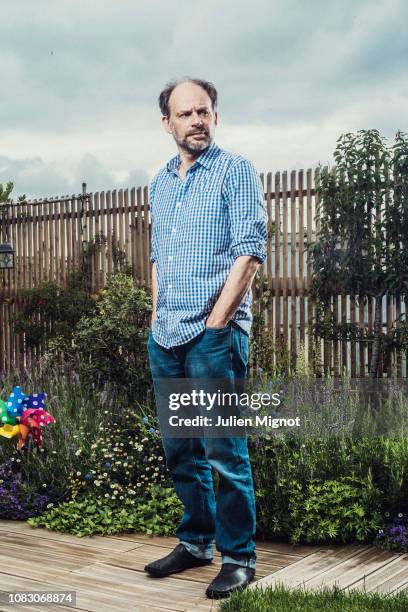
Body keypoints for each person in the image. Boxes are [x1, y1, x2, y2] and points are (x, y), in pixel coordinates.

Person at [144, 76, 268, 599]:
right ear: (167, 122)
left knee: (222, 450)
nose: (197, 120)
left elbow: (250, 251)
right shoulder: (161, 183)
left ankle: (238, 557)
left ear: (215, 117)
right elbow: (157, 257)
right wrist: (155, 317)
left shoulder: (236, 171)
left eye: (205, 111)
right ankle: (195, 542)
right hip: (166, 334)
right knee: (181, 450)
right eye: (186, 113)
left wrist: (218, 322)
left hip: (212, 336)